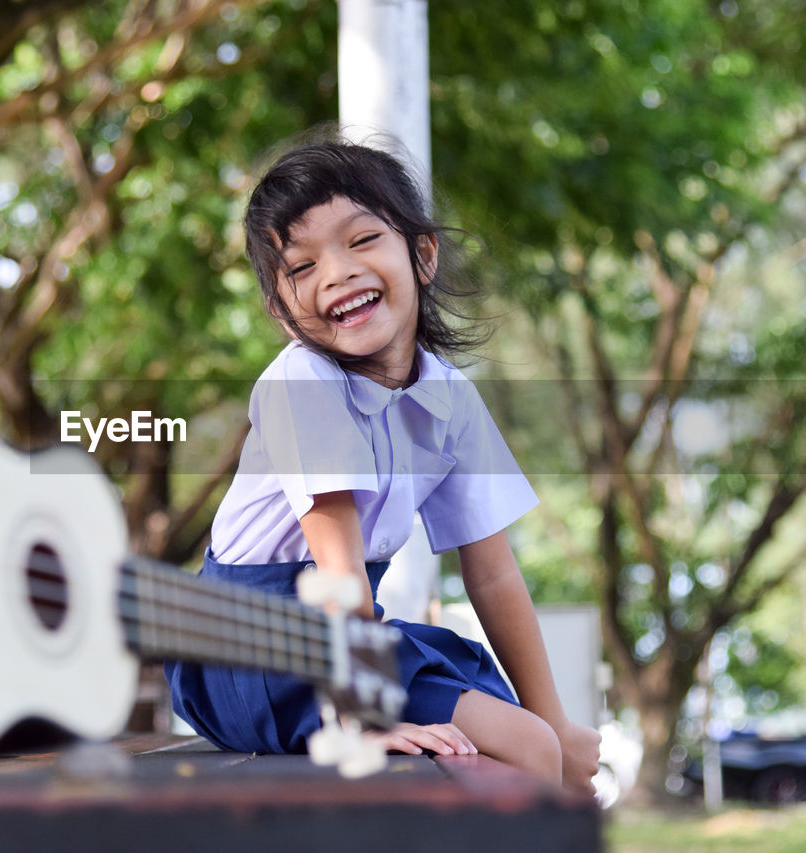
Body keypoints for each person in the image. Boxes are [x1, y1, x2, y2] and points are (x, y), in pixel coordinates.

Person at [165, 136, 601, 794]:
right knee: (519, 750)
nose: (336, 272)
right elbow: (338, 573)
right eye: (301, 266)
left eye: (362, 240)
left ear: (422, 254)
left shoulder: (448, 397)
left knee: (537, 745)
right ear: (284, 314)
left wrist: (558, 722)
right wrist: (361, 721)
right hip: (247, 650)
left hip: (341, 637)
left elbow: (494, 574)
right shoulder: (303, 384)